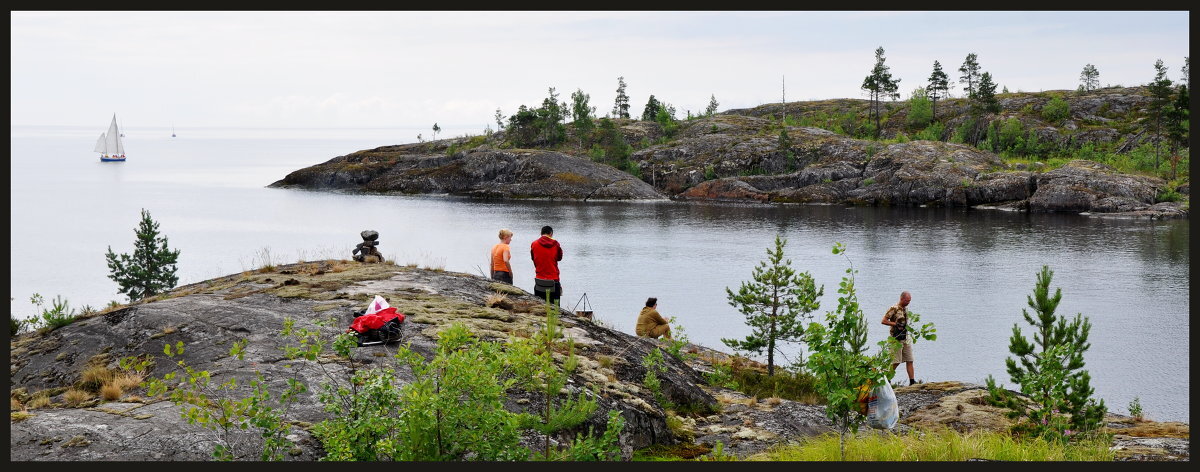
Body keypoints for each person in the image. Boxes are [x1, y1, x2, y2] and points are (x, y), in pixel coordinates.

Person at [881, 291, 916, 386]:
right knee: (896, 361)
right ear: (901, 299)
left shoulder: (905, 309)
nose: (908, 302)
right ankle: (887, 380)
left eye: (909, 301)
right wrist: (895, 324)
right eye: (907, 301)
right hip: (895, 338)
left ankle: (912, 382)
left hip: (905, 337)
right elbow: (883, 321)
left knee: (910, 360)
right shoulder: (894, 308)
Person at [530, 225, 563, 306]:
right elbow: (559, 258)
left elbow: (533, 258)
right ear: (551, 233)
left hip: (539, 280)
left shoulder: (534, 244)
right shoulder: (555, 244)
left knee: (539, 307)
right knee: (555, 308)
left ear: (541, 233)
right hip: (553, 280)